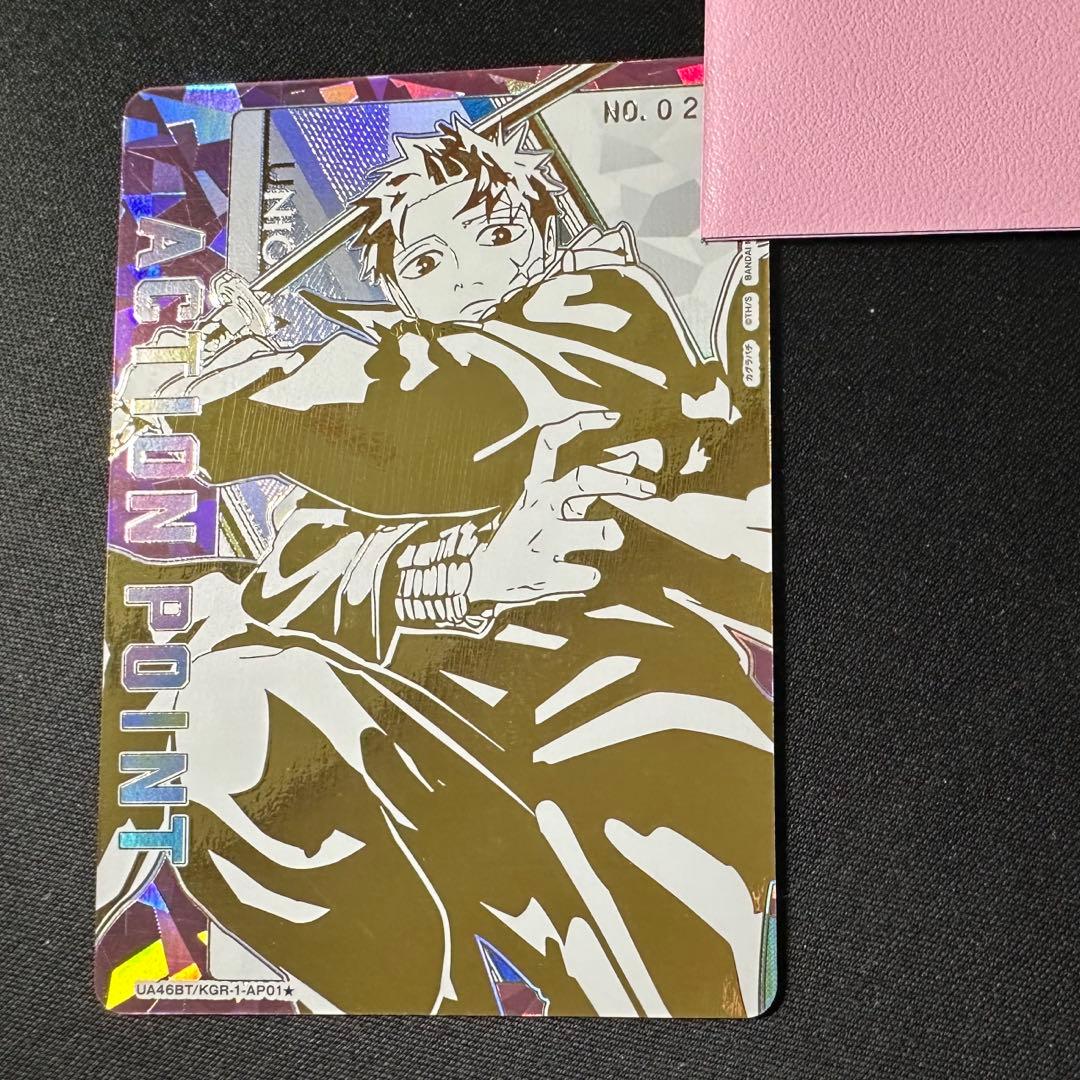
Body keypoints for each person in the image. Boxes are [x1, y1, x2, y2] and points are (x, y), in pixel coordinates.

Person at [100, 116, 774, 1016]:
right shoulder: (371, 415)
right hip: (433, 736)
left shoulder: (601, 310)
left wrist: (239, 385)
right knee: (220, 708)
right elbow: (296, 577)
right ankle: (415, 1020)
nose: (467, 274)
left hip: (623, 725)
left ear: (539, 234)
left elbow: (449, 416)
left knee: (678, 1000)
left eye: (492, 234)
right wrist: (467, 568)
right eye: (424, 262)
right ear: (399, 292)